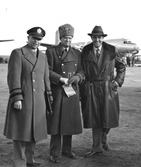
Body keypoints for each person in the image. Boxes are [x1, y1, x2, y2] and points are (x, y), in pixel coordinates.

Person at [3, 27, 52, 167]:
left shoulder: (42, 56)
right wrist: (17, 97)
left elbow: (46, 78)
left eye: (39, 39)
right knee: (20, 132)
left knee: (34, 131)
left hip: (39, 100)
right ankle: (20, 162)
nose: (36, 41)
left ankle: (30, 160)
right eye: (34, 38)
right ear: (28, 38)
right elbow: (13, 77)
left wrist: (48, 98)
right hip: (24, 99)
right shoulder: (18, 53)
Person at [80, 26, 126, 157]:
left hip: (108, 88)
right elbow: (82, 68)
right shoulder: (86, 51)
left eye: (99, 37)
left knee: (109, 116)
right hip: (92, 87)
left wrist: (117, 81)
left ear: (103, 38)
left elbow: (121, 66)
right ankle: (96, 147)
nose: (97, 40)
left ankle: (103, 137)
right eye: (94, 37)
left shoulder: (111, 50)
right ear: (91, 38)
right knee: (95, 118)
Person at [46, 24, 84, 163]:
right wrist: (60, 79)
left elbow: (81, 70)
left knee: (69, 122)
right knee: (56, 123)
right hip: (58, 91)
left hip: (71, 91)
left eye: (69, 38)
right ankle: (54, 153)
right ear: (60, 38)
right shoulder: (51, 52)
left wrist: (77, 77)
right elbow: (47, 71)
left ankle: (67, 150)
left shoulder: (76, 53)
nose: (67, 40)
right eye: (64, 38)